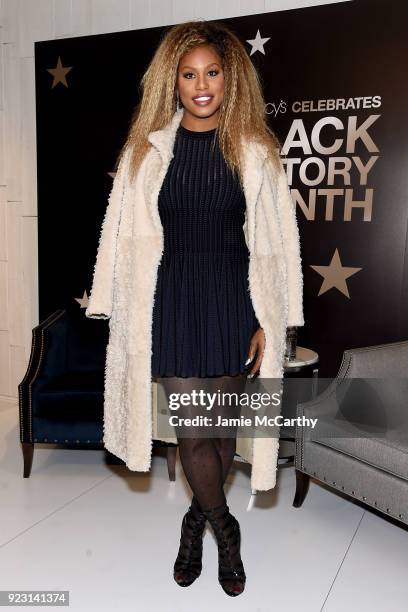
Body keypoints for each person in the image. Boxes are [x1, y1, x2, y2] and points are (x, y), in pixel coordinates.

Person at [86, 18, 304, 598]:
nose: (201, 84)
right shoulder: (146, 152)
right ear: (173, 82)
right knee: (192, 428)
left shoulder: (257, 151)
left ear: (230, 80)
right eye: (189, 74)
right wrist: (116, 302)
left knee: (222, 428)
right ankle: (225, 530)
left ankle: (194, 521)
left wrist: (268, 320)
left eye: (211, 72)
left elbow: (276, 246)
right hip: (171, 301)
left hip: (234, 300)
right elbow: (119, 234)